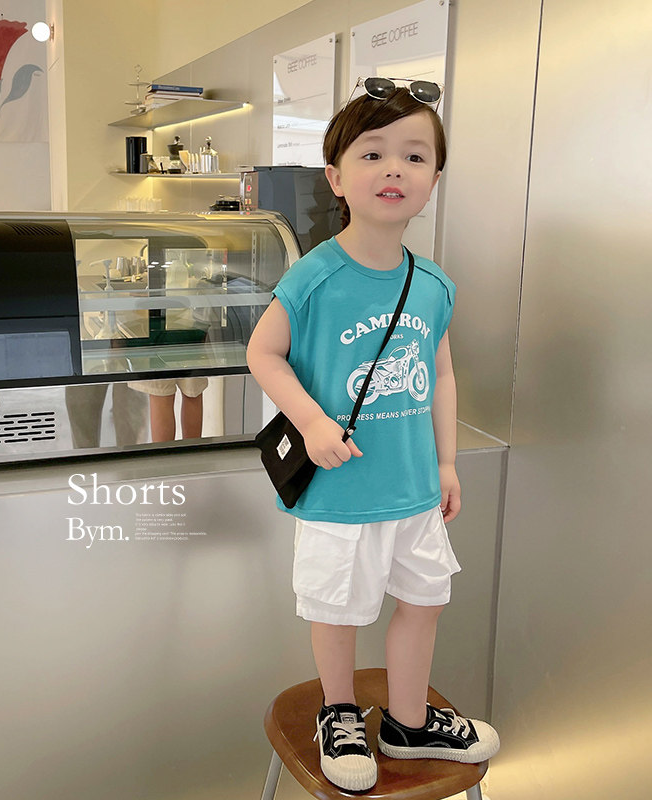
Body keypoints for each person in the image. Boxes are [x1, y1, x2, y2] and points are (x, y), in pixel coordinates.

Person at [246, 81, 499, 792]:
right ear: (336, 177)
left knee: (425, 600)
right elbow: (263, 353)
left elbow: (440, 375)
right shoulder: (315, 276)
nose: (395, 169)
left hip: (414, 488)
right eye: (373, 153)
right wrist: (312, 422)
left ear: (434, 180)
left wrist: (447, 464)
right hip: (340, 491)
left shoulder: (433, 284)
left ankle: (409, 722)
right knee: (338, 611)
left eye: (415, 156)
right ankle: (339, 714)